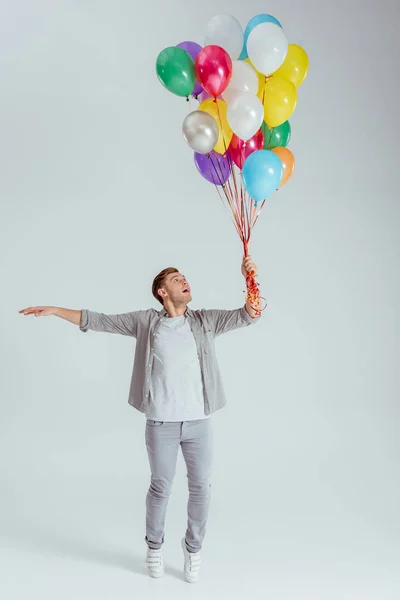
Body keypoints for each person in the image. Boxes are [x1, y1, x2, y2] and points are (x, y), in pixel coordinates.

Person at [19, 255, 261, 583]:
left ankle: (193, 548)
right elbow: (98, 320)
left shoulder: (205, 321)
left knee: (201, 487)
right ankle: (155, 546)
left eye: (184, 278)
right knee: (161, 487)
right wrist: (55, 310)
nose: (184, 281)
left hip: (199, 423)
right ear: (162, 291)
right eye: (177, 279)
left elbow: (250, 314)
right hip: (161, 423)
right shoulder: (146, 322)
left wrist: (250, 279)